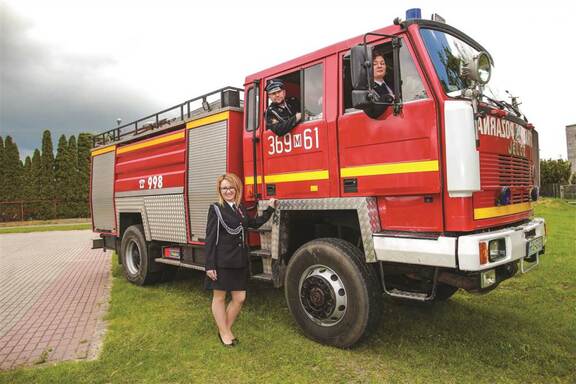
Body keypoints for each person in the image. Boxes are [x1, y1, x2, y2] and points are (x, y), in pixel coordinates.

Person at [204, 173, 276, 346]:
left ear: (237, 189)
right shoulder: (215, 209)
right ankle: (225, 333)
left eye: (231, 188)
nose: (228, 191)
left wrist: (270, 209)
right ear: (219, 191)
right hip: (222, 261)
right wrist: (210, 265)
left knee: (240, 298)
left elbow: (253, 224)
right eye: (224, 188)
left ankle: (224, 329)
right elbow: (210, 238)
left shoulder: (240, 208)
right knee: (219, 297)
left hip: (239, 260)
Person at [364, 51, 395, 119]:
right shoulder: (365, 89)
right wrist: (389, 97)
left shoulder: (393, 85)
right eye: (375, 64)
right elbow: (372, 112)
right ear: (368, 69)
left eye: (382, 63)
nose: (380, 66)